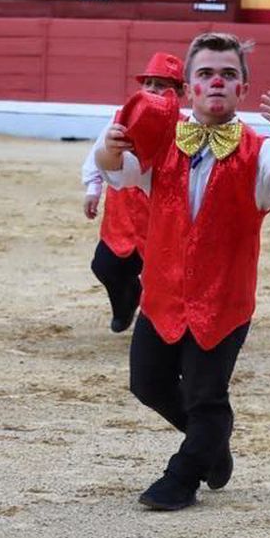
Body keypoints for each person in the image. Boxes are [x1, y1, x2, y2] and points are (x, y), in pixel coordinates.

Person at [94, 32, 270, 510]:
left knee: (204, 395)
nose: (217, 81)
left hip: (223, 300)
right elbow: (117, 170)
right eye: (206, 74)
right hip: (162, 294)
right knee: (147, 384)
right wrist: (108, 148)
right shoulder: (162, 137)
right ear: (188, 88)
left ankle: (183, 475)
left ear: (243, 89)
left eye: (228, 74)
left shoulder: (261, 151)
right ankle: (210, 443)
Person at [82, 53, 184, 332]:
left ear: (178, 93)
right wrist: (93, 187)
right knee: (104, 266)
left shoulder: (187, 128)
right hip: (123, 215)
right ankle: (126, 304)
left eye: (161, 85)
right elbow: (99, 152)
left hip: (162, 218)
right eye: (148, 83)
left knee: (167, 278)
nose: (151, 89)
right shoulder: (123, 117)